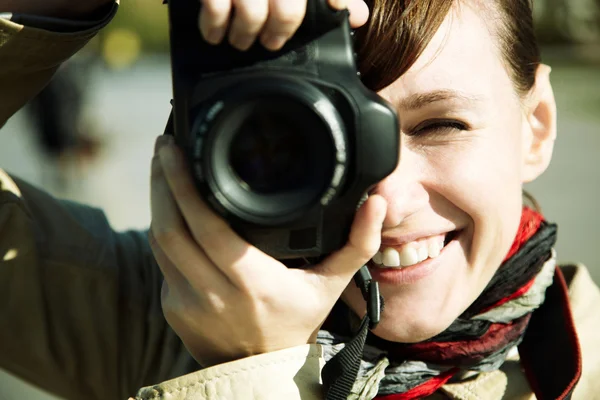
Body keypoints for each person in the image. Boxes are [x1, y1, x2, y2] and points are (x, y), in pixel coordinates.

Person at [0, 1, 599, 400]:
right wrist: (56, 7)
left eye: (439, 125)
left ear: (538, 124)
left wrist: (248, 367)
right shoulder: (160, 312)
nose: (386, 200)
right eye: (297, 137)